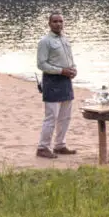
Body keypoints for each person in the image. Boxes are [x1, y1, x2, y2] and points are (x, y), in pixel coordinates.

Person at [36, 11, 78, 159]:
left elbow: (70, 59)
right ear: (49, 23)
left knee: (65, 117)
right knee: (51, 117)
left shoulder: (65, 40)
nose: (58, 24)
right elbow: (41, 64)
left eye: (60, 21)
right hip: (52, 81)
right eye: (55, 21)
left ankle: (60, 145)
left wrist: (73, 69)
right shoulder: (45, 42)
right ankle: (42, 148)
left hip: (66, 81)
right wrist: (61, 71)